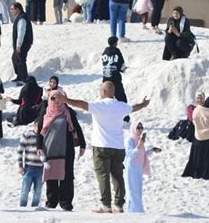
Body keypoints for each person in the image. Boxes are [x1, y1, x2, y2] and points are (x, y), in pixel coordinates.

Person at [61, 82, 151, 213]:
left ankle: (106, 205)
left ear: (103, 91)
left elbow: (83, 104)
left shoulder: (100, 105)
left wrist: (67, 100)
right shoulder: (121, 106)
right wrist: (143, 104)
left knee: (103, 175)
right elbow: (134, 107)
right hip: (118, 147)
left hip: (101, 145)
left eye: (100, 90)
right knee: (117, 176)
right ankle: (119, 204)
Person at [38, 89, 86, 211]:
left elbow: (77, 127)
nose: (56, 100)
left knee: (67, 176)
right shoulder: (45, 112)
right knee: (51, 176)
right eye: (53, 98)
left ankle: (66, 202)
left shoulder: (67, 111)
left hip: (67, 149)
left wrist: (83, 144)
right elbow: (39, 132)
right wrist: (38, 147)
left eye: (58, 98)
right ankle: (51, 201)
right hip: (50, 149)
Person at [125, 120, 161, 213]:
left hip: (139, 168)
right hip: (132, 168)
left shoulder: (139, 140)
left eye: (141, 127)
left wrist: (152, 150)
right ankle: (135, 211)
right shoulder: (130, 140)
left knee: (138, 190)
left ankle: (136, 210)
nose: (140, 130)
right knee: (132, 190)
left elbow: (142, 154)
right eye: (138, 127)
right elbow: (129, 154)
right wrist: (138, 146)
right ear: (133, 128)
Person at [182, 96, 209, 180]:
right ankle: (206, 174)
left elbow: (193, 121)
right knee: (208, 157)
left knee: (196, 156)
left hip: (197, 136)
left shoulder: (197, 110)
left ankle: (194, 172)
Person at [18, 119, 45, 207]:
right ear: (34, 126)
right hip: (29, 167)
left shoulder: (45, 136)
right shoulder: (27, 135)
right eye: (38, 126)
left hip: (41, 168)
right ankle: (22, 207)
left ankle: (35, 207)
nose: (39, 129)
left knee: (38, 191)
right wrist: (20, 166)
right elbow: (20, 151)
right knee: (25, 190)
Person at [10, 2, 33, 84]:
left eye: (12, 9)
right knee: (15, 58)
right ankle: (19, 76)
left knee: (21, 60)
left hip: (23, 44)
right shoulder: (20, 17)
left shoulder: (22, 18)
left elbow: (21, 32)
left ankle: (24, 78)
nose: (11, 11)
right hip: (21, 44)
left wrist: (18, 45)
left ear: (18, 9)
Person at [102, 37, 127, 104]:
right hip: (115, 79)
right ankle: (124, 114)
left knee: (106, 100)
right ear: (115, 43)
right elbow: (122, 66)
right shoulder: (117, 51)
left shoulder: (104, 52)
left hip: (105, 80)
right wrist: (123, 69)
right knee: (122, 99)